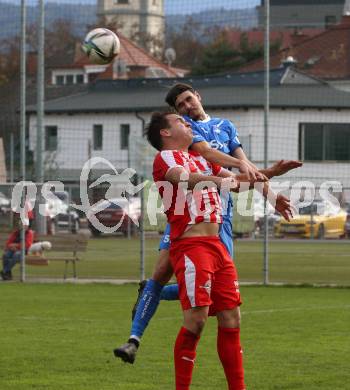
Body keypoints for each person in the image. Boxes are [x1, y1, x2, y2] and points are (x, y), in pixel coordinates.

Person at [114, 83, 302, 364]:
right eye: (180, 107)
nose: (187, 108)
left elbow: (243, 169)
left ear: (198, 96)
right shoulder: (186, 131)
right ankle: (134, 339)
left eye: (189, 100)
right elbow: (211, 157)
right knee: (161, 272)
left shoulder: (225, 126)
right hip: (186, 216)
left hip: (219, 217)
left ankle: (157, 295)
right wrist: (241, 170)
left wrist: (271, 194)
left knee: (216, 285)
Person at [140, 112, 292, 389]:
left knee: (231, 317)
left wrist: (269, 173)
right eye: (180, 122)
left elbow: (236, 184)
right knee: (196, 321)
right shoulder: (166, 157)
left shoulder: (201, 158)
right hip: (191, 246)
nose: (188, 124)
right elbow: (183, 178)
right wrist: (223, 181)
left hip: (216, 246)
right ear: (165, 133)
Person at [1, 214, 34, 281]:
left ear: (27, 226)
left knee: (16, 255)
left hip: (23, 250)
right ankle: (7, 274)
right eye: (21, 224)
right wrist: (10, 246)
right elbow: (9, 242)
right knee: (5, 255)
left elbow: (27, 244)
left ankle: (4, 271)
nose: (22, 226)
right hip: (13, 249)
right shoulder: (16, 233)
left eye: (24, 225)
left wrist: (16, 246)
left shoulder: (29, 233)